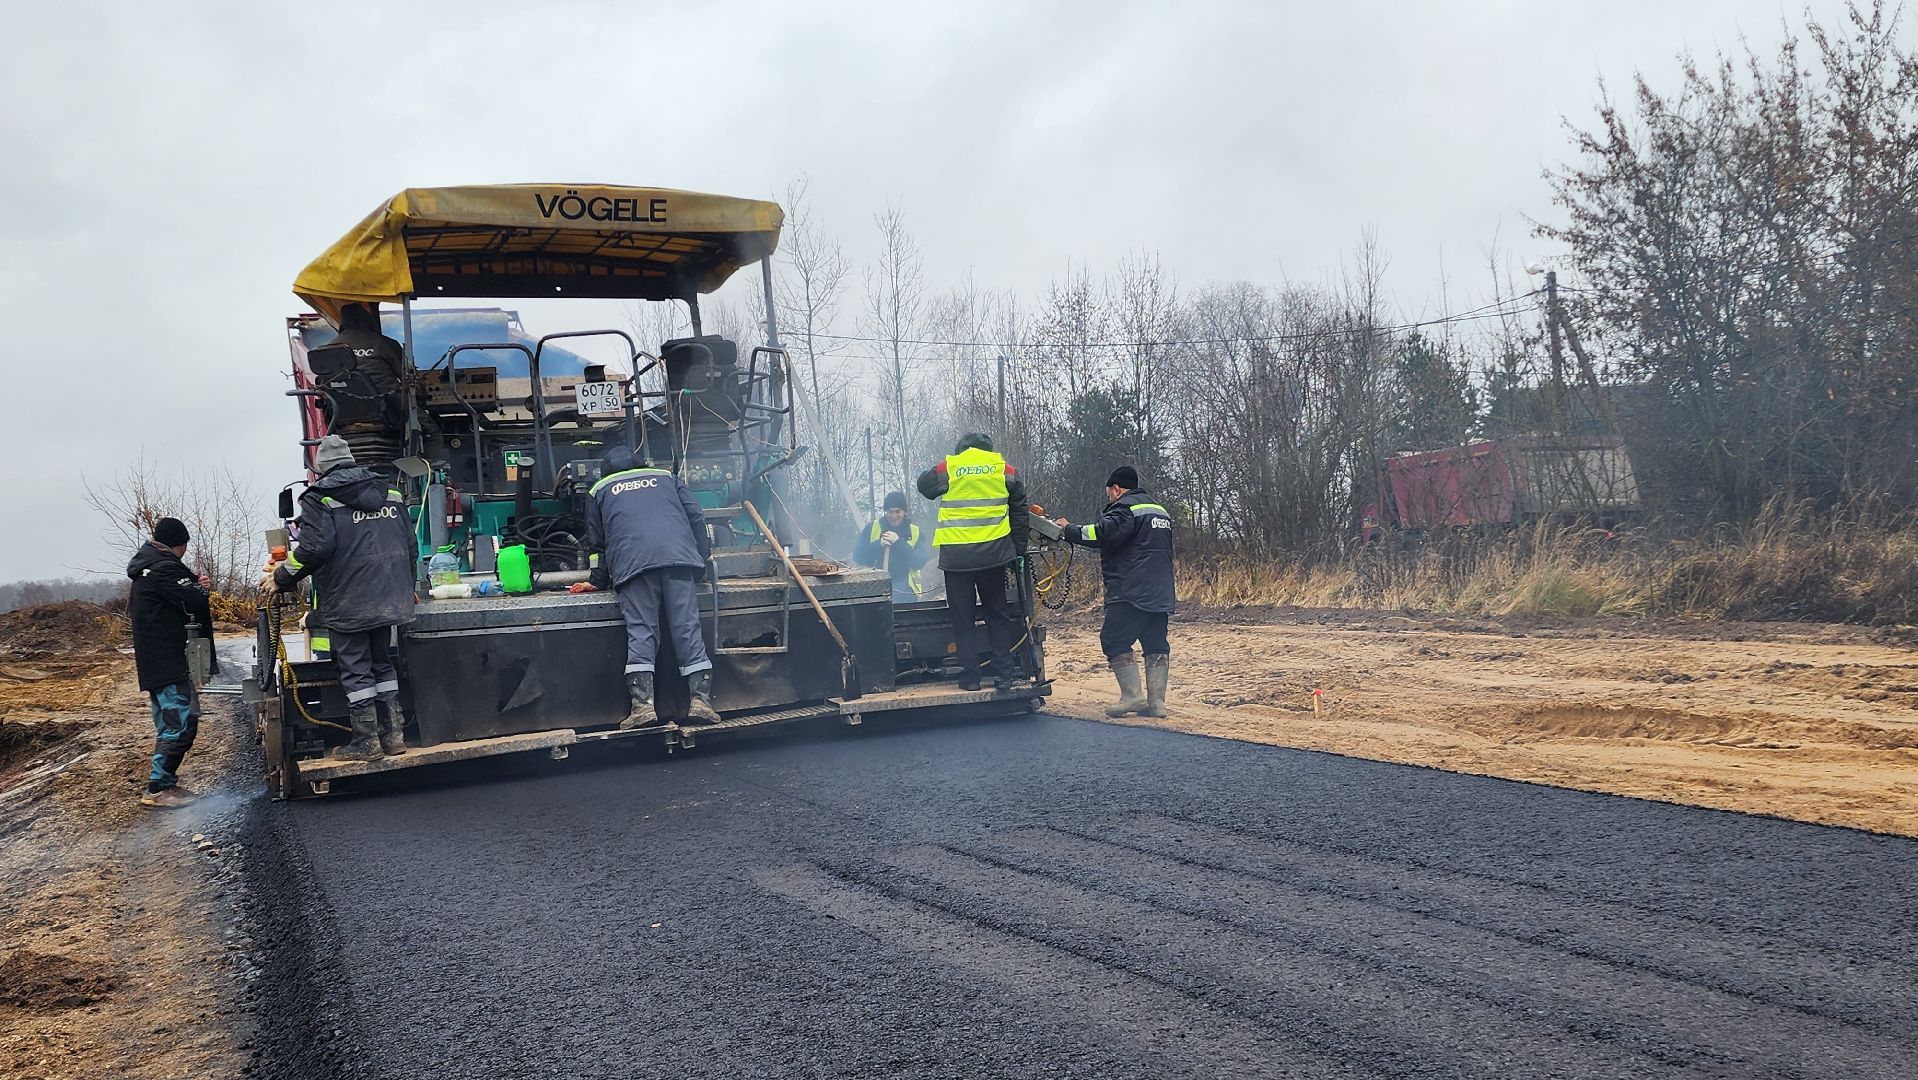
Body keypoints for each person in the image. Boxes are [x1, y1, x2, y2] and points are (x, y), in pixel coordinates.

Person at [269, 435, 418, 761]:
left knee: (356, 671)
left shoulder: (320, 497)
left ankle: (366, 742)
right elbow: (410, 545)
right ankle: (394, 736)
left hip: (349, 600)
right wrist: (411, 586)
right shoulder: (390, 491)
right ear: (351, 459)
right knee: (382, 664)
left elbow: (312, 549)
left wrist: (281, 577)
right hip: (390, 597)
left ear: (321, 467)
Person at [575, 446, 720, 730]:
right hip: (678, 560)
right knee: (687, 628)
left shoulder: (599, 489)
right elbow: (696, 516)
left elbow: (598, 541)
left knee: (642, 631)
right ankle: (701, 701)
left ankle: (642, 708)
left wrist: (597, 580)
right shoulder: (666, 477)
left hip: (633, 565)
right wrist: (701, 559)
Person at [1053, 466, 1176, 718]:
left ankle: (1131, 696)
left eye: (1109, 493)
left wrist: (1069, 529)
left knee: (1114, 639)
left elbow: (1100, 533)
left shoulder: (1124, 509)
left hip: (1130, 589)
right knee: (1156, 644)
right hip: (1160, 589)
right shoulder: (1158, 510)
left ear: (1116, 489)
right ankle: (1156, 703)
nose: (1109, 498)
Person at [917, 432, 1029, 691]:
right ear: (989, 449)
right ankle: (1004, 675)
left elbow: (924, 486)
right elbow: (1020, 512)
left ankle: (971, 677)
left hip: (957, 559)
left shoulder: (952, 466)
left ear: (962, 448)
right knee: (997, 616)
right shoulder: (1005, 469)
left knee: (962, 618)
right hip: (994, 556)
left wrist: (944, 465)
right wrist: (1018, 551)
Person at [127, 517, 219, 808]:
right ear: (180, 544)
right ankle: (158, 788)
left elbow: (185, 594)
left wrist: (194, 584)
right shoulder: (163, 568)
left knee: (172, 723)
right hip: (167, 661)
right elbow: (193, 600)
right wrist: (199, 588)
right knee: (181, 722)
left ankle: (165, 783)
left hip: (158, 661)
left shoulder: (150, 567)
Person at [307, 302, 407, 474]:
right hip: (389, 414)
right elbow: (407, 377)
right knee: (431, 430)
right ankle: (431, 477)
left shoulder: (326, 351)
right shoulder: (384, 343)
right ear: (368, 320)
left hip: (342, 420)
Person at [852, 491, 928, 604]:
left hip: (906, 593)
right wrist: (879, 545)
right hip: (875, 591)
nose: (893, 516)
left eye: (898, 512)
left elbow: (919, 562)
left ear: (904, 511)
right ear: (885, 511)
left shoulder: (915, 532)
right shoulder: (872, 528)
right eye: (890, 512)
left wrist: (898, 543)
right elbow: (858, 556)